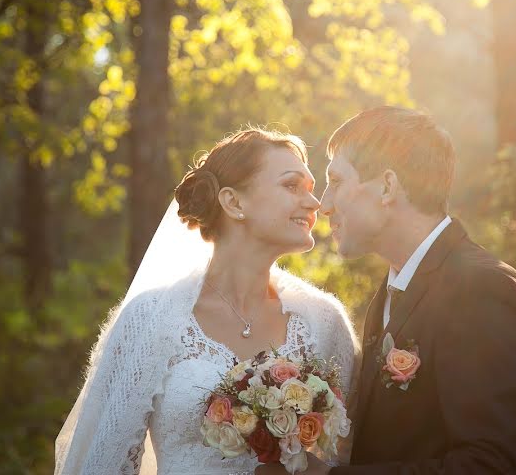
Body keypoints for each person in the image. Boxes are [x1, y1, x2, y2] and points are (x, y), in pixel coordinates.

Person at [258, 106, 516, 475]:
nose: (325, 204)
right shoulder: (393, 291)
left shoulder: (484, 290)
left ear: (387, 186)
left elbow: (497, 466)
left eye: (337, 181)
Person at [55, 127, 358, 475]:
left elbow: (344, 459)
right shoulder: (151, 318)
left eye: (311, 189)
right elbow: (102, 463)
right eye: (291, 186)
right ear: (233, 202)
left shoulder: (324, 320)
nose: (315, 203)